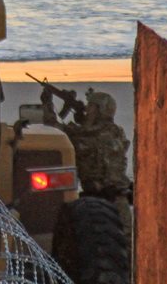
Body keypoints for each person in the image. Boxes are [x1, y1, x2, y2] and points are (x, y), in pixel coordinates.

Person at [42, 88, 133, 242]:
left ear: (100, 110)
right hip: (116, 200)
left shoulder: (87, 135)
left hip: (104, 200)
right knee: (122, 246)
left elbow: (54, 128)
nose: (86, 110)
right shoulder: (116, 132)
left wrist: (48, 104)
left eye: (90, 107)